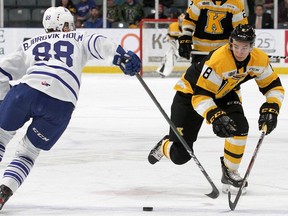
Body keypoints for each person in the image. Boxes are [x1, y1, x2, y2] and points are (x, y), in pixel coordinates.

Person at [0, 6, 141, 210]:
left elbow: (2, 72)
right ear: (64, 25)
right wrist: (121, 57)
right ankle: (5, 189)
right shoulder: (78, 37)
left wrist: (5, 101)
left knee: (1, 137)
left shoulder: (30, 43)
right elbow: (98, 42)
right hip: (61, 104)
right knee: (28, 152)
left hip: (25, 93)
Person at [148, 24, 284, 194]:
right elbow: (200, 97)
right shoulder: (219, 60)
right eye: (236, 46)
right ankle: (164, 145)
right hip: (189, 95)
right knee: (180, 156)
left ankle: (230, 171)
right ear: (230, 43)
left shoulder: (260, 59)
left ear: (252, 46)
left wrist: (271, 108)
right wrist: (215, 116)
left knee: (240, 127)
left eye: (245, 47)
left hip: (225, 93)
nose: (240, 51)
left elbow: (273, 87)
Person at [178, 0, 248, 64]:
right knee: (197, 77)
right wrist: (186, 38)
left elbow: (240, 29)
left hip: (223, 52)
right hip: (200, 52)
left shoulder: (235, 3)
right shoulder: (198, 1)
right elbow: (190, 20)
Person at [156, 13, 185, 77]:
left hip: (185, 45)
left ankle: (162, 71)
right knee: (169, 56)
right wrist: (168, 37)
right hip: (174, 44)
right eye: (180, 21)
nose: (181, 22)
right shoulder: (173, 26)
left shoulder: (190, 27)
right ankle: (163, 71)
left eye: (183, 21)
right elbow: (169, 35)